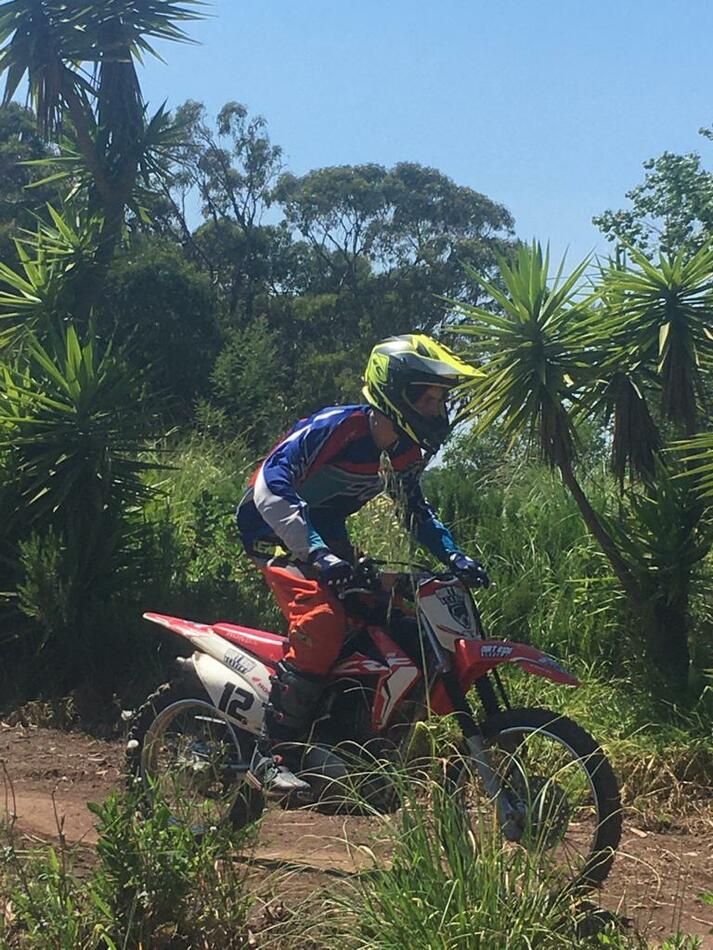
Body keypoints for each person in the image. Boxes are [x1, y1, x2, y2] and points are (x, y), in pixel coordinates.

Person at [236, 334, 490, 796]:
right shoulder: (337, 428)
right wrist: (317, 552)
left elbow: (415, 512)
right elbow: (270, 485)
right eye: (428, 399)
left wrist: (453, 555)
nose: (437, 410)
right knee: (323, 621)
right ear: (395, 393)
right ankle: (272, 754)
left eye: (440, 400)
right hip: (272, 532)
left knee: (395, 620)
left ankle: (348, 740)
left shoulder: (403, 451)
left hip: (327, 541)